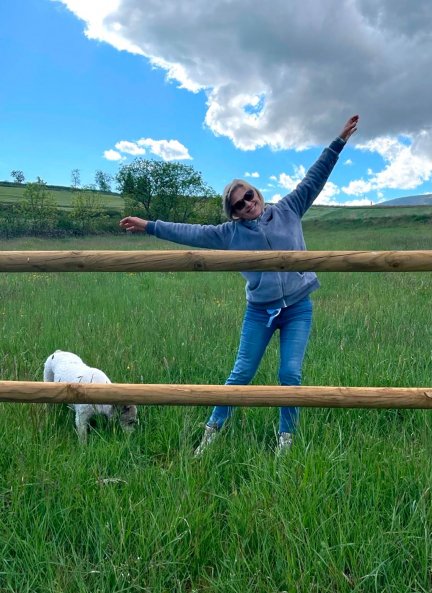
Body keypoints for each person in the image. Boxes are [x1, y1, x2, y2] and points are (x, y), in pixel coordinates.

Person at [120, 115, 359, 456]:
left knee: (290, 374)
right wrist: (149, 225)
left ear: (256, 192)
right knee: (241, 374)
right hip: (260, 310)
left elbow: (314, 177)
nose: (248, 203)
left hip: (298, 308)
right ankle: (210, 435)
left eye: (249, 195)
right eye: (239, 204)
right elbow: (189, 231)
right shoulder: (229, 234)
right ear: (233, 213)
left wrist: (337, 143)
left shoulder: (288, 209)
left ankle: (285, 442)